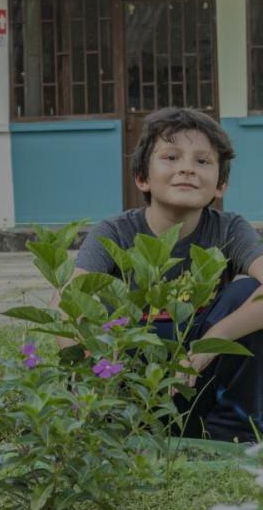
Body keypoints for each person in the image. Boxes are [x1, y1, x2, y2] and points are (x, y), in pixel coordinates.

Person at [73, 107, 263, 441]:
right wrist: (93, 362)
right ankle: (109, 427)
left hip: (197, 380)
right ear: (142, 178)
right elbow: (67, 301)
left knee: (247, 292)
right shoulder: (115, 233)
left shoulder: (228, 230)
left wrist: (212, 341)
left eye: (202, 161)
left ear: (220, 185)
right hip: (131, 389)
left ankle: (232, 433)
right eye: (171, 157)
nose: (187, 168)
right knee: (89, 304)